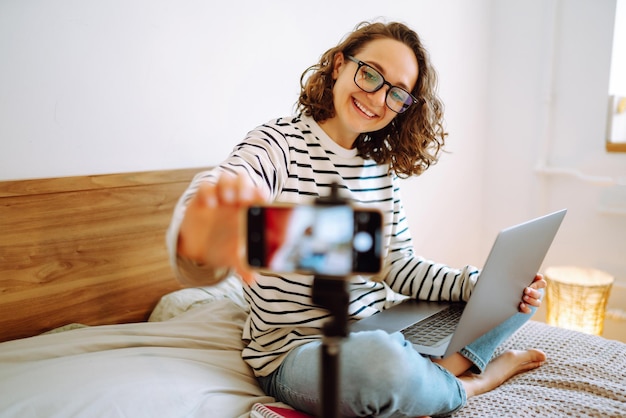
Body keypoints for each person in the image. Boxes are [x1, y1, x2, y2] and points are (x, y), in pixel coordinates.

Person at [167, 20, 547, 418]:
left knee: (516, 296)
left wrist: (476, 285)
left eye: (397, 94)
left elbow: (400, 268)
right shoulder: (277, 144)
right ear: (338, 66)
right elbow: (231, 181)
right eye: (370, 75)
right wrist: (214, 211)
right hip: (298, 351)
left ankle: (428, 377)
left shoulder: (379, 169)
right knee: (380, 363)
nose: (378, 99)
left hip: (381, 326)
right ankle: (465, 382)